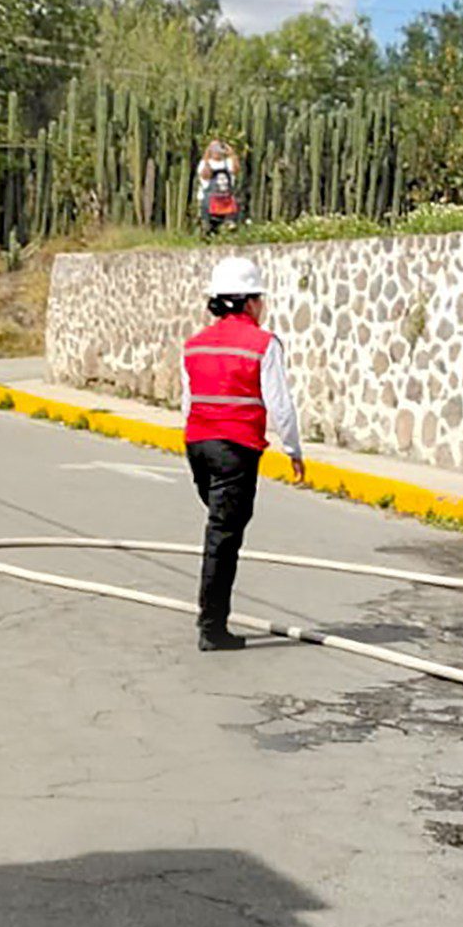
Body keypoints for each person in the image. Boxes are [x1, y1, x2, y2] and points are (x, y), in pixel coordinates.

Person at [178, 256, 303, 652]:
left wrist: (197, 437)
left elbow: (187, 402)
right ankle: (212, 627)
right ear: (249, 302)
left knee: (220, 526)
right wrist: (294, 449)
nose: (262, 306)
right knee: (223, 536)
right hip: (237, 449)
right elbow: (279, 405)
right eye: (259, 299)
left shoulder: (193, 346)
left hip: (198, 445)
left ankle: (212, 619)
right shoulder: (264, 344)